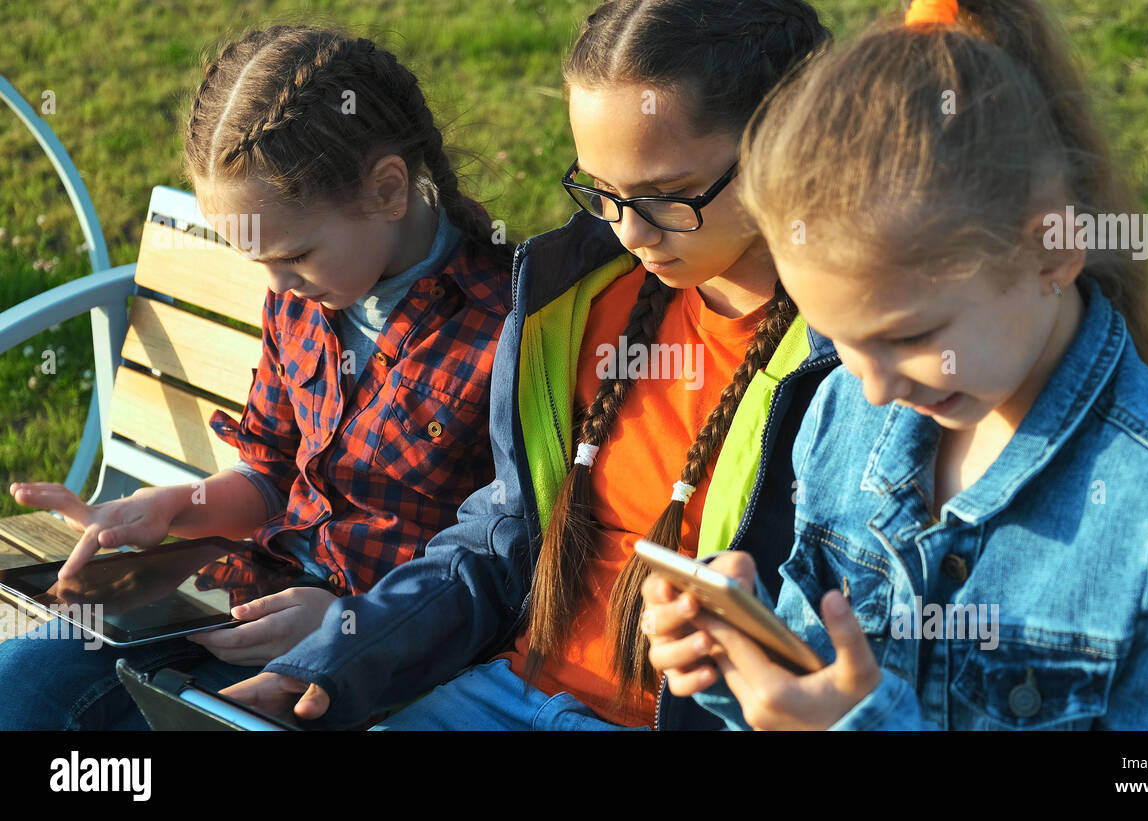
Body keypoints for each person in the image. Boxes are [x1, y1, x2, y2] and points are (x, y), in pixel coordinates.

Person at [642, 0, 1148, 730]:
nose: (875, 386)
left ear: (1050, 250)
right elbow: (819, 667)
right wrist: (741, 661)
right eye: (842, 342)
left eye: (908, 336)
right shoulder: (841, 409)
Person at [224, 0, 836, 731]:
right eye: (601, 191)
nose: (630, 231)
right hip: (504, 692)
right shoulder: (574, 305)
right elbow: (495, 544)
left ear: (787, 138)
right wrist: (336, 659)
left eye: (668, 196)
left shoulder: (853, 361)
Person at [0, 24, 513, 730]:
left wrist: (347, 626)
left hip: (372, 658)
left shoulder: (506, 323)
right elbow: (268, 477)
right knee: (20, 685)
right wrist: (173, 507)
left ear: (388, 189)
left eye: (295, 254)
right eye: (256, 260)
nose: (274, 285)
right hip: (239, 596)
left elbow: (501, 564)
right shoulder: (304, 296)